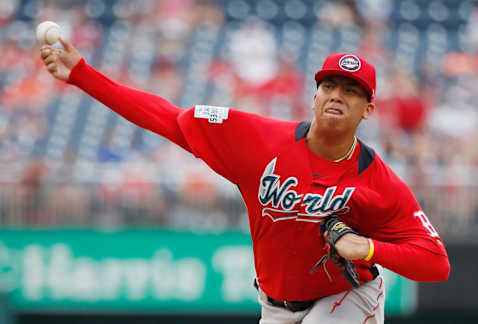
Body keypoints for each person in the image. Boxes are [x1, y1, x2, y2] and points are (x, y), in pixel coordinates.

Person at [40, 39, 450, 324]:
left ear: (368, 110)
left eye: (351, 90)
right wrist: (82, 75)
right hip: (275, 305)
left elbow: (436, 262)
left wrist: (371, 247)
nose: (336, 95)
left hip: (346, 295)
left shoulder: (379, 182)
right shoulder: (257, 140)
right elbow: (167, 118)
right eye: (328, 85)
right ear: (314, 95)